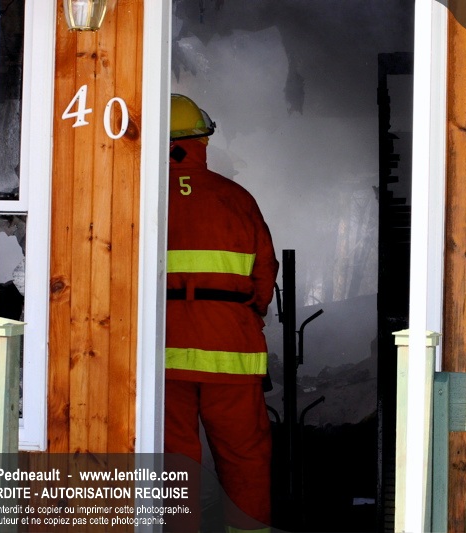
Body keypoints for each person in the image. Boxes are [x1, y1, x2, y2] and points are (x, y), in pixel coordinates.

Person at [164, 93, 279, 533]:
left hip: (164, 353)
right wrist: (242, 315)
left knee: (173, 460)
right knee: (244, 457)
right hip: (232, 350)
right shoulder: (237, 198)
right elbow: (264, 276)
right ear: (202, 141)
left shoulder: (138, 200)